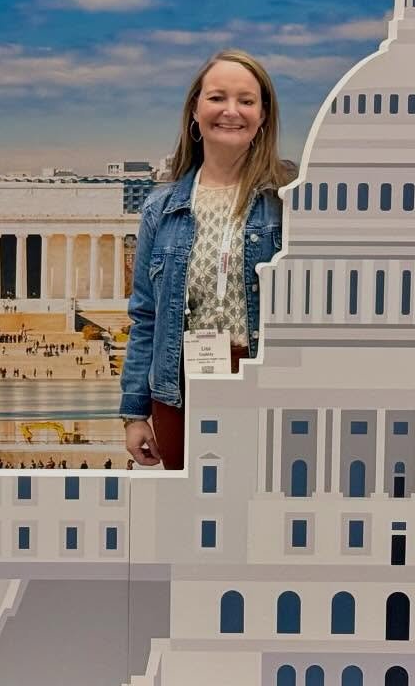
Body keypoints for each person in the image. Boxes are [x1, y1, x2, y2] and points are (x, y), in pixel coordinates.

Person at [120, 50, 292, 471]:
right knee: (195, 522)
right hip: (180, 388)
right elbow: (146, 316)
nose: (231, 111)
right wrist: (134, 413)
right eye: (217, 98)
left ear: (263, 115)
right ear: (195, 111)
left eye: (246, 100)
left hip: (268, 388)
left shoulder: (287, 199)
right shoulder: (160, 208)